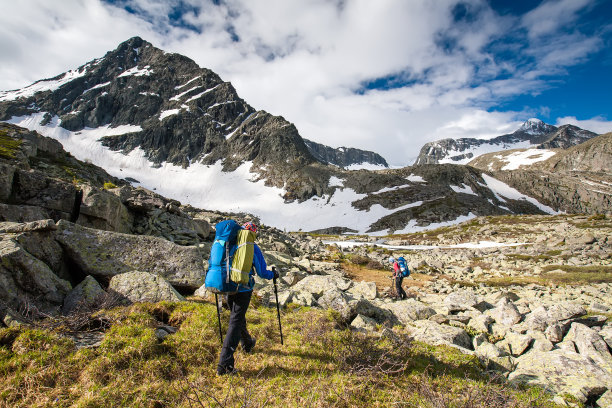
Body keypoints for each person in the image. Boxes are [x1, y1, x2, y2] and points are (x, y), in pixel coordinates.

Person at [217, 221, 279, 376]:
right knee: (236, 322)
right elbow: (262, 272)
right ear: (252, 233)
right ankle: (224, 366)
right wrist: (274, 274)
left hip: (226, 286)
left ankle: (247, 344)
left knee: (237, 317)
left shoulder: (228, 243)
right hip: (243, 288)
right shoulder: (251, 246)